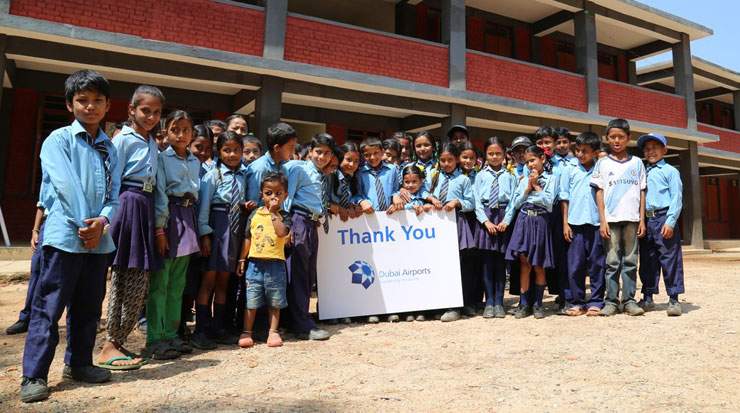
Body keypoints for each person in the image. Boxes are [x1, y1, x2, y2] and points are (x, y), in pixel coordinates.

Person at [20, 69, 120, 403]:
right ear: (69, 104)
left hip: (98, 242)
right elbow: (64, 186)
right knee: (48, 308)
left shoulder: (110, 148)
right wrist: (85, 225)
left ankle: (79, 364)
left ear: (107, 106)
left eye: (97, 101)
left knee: (88, 307)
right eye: (82, 100)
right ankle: (34, 375)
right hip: (64, 238)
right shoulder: (58, 140)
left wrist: (103, 222)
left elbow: (114, 195)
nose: (90, 107)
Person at [98, 85, 164, 370]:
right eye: (145, 111)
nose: (150, 117)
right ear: (131, 110)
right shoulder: (122, 140)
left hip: (146, 206)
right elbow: (112, 179)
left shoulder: (151, 142)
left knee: (139, 278)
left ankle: (119, 339)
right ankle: (109, 344)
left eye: (156, 112)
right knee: (124, 275)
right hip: (128, 204)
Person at [146, 110, 201, 359]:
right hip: (168, 217)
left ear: (192, 133)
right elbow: (159, 194)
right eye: (175, 129)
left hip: (188, 219)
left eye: (186, 130)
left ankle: (172, 334)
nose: (180, 135)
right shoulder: (160, 158)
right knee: (161, 282)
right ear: (165, 132)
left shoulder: (195, 161)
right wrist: (159, 229)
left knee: (178, 283)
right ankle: (155, 338)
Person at [192, 131, 248, 349]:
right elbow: (204, 207)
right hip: (217, 226)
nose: (232, 154)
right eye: (227, 150)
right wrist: (205, 234)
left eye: (236, 150)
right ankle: (201, 329)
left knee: (224, 281)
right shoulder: (212, 175)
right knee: (208, 280)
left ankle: (219, 327)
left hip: (233, 231)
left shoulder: (244, 175)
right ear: (219, 151)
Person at [591, 118, 646, 317]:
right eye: (612, 137)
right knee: (612, 261)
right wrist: (602, 220)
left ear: (628, 138)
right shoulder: (602, 164)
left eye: (620, 137)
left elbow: (642, 192)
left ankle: (629, 300)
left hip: (632, 219)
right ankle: (611, 301)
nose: (616, 141)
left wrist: (642, 219)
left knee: (631, 260)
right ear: (607, 139)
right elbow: (598, 192)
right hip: (611, 220)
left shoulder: (637, 163)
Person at [282, 132, 333, 340]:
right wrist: (286, 226)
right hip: (299, 220)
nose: (322, 157)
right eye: (318, 152)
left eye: (327, 153)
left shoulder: (323, 175)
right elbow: (288, 196)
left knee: (308, 273)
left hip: (313, 223)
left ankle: (298, 319)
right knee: (298, 274)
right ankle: (301, 324)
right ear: (310, 151)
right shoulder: (298, 168)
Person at [500, 145, 558, 319]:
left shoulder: (551, 179)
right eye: (527, 162)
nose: (530, 165)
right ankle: (524, 304)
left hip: (540, 221)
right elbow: (516, 203)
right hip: (524, 220)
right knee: (524, 264)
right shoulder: (522, 179)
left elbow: (549, 203)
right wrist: (527, 189)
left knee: (539, 265)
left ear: (543, 159)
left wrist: (537, 187)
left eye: (533, 160)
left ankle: (538, 304)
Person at [237, 172, 292, 348]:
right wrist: (241, 259)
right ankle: (247, 331)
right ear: (262, 194)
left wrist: (274, 213)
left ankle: (273, 331)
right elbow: (248, 238)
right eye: (269, 193)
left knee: (275, 300)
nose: (273, 197)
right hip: (254, 264)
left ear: (286, 195)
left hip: (275, 264)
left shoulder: (285, 215)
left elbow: (282, 233)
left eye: (278, 193)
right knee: (251, 299)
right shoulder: (254, 214)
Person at [637, 133, 685, 316]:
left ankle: (674, 299)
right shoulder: (643, 171)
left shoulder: (670, 171)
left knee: (669, 259)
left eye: (655, 148)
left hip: (664, 218)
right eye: (647, 149)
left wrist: (671, 221)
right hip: (646, 219)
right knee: (648, 260)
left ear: (664, 150)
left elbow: (677, 198)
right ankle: (648, 297)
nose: (651, 152)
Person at [426, 143, 475, 322]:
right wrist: (431, 198)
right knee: (440, 264)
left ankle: (456, 306)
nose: (446, 163)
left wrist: (457, 202)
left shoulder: (463, 180)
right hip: (436, 226)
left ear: (457, 161)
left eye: (450, 160)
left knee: (458, 266)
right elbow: (422, 191)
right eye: (443, 160)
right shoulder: (434, 177)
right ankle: (440, 304)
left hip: (457, 224)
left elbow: (471, 203)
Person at [559, 132, 605, 317]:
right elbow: (564, 197)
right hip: (574, 223)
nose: (579, 154)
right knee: (575, 265)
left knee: (596, 264)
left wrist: (604, 222)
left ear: (594, 152)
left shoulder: (601, 169)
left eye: (584, 151)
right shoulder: (569, 169)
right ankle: (576, 302)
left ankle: (596, 301)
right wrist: (565, 223)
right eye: (577, 150)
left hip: (595, 223)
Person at [474, 137, 516, 319]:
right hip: (486, 218)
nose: (494, 157)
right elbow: (476, 201)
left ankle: (499, 301)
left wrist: (506, 220)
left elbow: (514, 200)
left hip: (503, 218)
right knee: (486, 263)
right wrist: (485, 221)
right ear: (485, 155)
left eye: (498, 153)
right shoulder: (480, 175)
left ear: (504, 154)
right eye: (491, 154)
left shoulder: (510, 176)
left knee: (501, 263)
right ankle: (489, 301)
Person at [6, 178, 53, 336]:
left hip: (67, 223)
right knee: (37, 270)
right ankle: (26, 317)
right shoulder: (51, 165)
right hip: (47, 224)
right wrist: (35, 230)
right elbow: (42, 201)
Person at [328, 142, 361, 223]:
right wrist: (336, 208)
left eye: (356, 161)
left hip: (343, 224)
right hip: (328, 220)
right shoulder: (330, 175)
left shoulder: (352, 178)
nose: (352, 164)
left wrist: (352, 206)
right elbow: (320, 199)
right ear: (340, 158)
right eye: (348, 160)